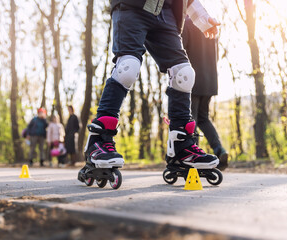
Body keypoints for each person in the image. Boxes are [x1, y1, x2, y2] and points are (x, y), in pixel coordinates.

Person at [80, 0, 221, 177]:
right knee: (128, 68)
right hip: (131, 7)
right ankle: (98, 141)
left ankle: (182, 146)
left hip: (166, 11)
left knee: (184, 74)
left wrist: (202, 18)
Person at [182, 17, 228, 170]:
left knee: (192, 118)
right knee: (203, 118)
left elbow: (180, 51)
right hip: (210, 80)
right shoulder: (209, 24)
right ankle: (219, 149)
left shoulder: (186, 24)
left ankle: (194, 154)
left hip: (193, 78)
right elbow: (217, 53)